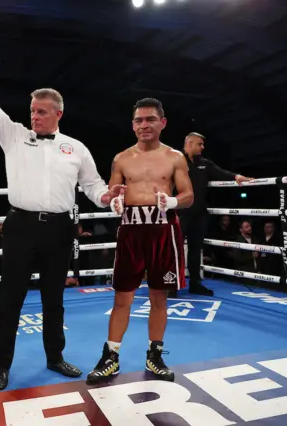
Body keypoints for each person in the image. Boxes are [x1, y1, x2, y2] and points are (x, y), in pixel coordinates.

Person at [0, 42, 125, 391]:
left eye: (41, 112)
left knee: (54, 300)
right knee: (10, 300)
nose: (34, 116)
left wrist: (107, 196)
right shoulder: (14, 136)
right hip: (20, 226)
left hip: (59, 230)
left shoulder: (76, 147)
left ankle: (55, 357)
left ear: (58, 115)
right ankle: (2, 366)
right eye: (32, 110)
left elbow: (92, 186)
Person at [87, 98, 194, 384]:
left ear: (162, 123)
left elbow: (188, 196)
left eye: (150, 119)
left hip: (162, 229)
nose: (144, 125)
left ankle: (155, 355)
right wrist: (115, 204)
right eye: (138, 120)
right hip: (131, 229)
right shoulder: (121, 158)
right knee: (122, 297)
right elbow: (113, 192)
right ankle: (110, 357)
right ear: (133, 125)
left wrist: (170, 201)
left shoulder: (175, 157)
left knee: (159, 297)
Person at [176, 132, 253, 296]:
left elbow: (220, 172)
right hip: (179, 213)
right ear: (189, 144)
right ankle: (171, 285)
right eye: (199, 144)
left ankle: (195, 284)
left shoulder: (205, 163)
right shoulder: (175, 161)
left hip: (198, 213)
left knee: (196, 250)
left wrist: (237, 176)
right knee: (174, 250)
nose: (203, 147)